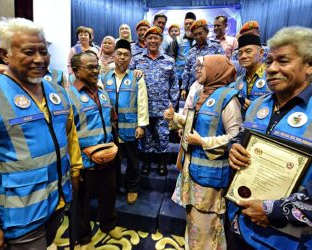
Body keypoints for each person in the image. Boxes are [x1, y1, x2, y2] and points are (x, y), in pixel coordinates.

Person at [0, 17, 82, 249]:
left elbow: (70, 136)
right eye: (29, 52)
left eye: (43, 51)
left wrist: (75, 169)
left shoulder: (56, 91)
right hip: (18, 218)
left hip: (57, 202)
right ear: (5, 54)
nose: (39, 59)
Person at [227, 26, 312, 250]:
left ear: (309, 65)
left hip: (290, 241)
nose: (272, 69)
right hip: (242, 227)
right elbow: (238, 138)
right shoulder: (257, 105)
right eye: (269, 60)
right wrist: (233, 149)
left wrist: (272, 212)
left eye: (283, 61)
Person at [164, 54, 241, 249]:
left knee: (207, 224)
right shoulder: (201, 93)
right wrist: (176, 118)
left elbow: (237, 138)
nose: (197, 71)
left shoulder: (228, 99)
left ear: (215, 70)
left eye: (202, 67)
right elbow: (193, 123)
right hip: (193, 169)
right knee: (194, 219)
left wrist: (203, 142)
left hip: (210, 175)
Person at [67, 51, 122, 250]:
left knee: (109, 194)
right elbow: (67, 132)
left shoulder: (102, 92)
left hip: (107, 155)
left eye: (97, 66)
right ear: (75, 70)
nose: (96, 70)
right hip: (84, 160)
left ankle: (108, 225)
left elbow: (111, 119)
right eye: (90, 67)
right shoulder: (68, 96)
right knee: (82, 202)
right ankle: (84, 238)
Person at [100, 39, 149, 204]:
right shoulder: (104, 77)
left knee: (133, 162)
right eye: (119, 54)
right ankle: (113, 188)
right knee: (111, 162)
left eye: (126, 55)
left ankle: (132, 188)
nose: (122, 57)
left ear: (130, 58)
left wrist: (142, 125)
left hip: (130, 128)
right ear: (113, 55)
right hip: (110, 129)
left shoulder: (137, 77)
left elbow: (142, 102)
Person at [130, 26, 179, 176]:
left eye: (156, 38)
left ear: (161, 40)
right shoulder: (137, 60)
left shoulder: (169, 61)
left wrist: (172, 104)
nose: (152, 41)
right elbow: (130, 82)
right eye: (149, 38)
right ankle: (146, 162)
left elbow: (174, 84)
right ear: (145, 40)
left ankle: (162, 163)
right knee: (146, 137)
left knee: (162, 136)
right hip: (144, 107)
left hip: (163, 106)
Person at [181, 19, 224, 100]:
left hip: (211, 88)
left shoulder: (216, 47)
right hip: (193, 88)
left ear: (207, 32)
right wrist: (183, 88)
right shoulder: (191, 50)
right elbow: (187, 69)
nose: (198, 37)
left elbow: (223, 67)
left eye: (200, 33)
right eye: (195, 35)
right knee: (191, 111)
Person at [228, 34, 269, 115]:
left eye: (248, 51)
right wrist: (238, 99)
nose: (243, 56)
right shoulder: (239, 80)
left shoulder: (271, 76)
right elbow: (225, 93)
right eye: (240, 53)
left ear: (261, 53)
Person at [168, 12, 196, 90]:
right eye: (186, 24)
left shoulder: (199, 39)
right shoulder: (177, 39)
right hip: (179, 76)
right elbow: (171, 57)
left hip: (196, 77)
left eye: (190, 23)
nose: (188, 26)